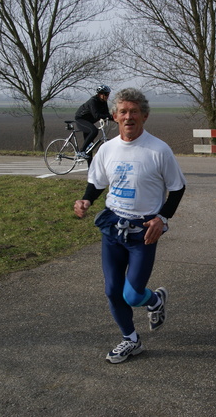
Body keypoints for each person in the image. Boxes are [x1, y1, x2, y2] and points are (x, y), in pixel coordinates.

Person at [73, 88, 186, 364]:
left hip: (143, 231)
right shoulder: (107, 149)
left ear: (144, 116)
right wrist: (86, 200)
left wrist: (163, 218)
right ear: (114, 116)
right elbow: (97, 182)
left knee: (132, 294)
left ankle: (153, 300)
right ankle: (131, 340)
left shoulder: (159, 149)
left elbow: (178, 188)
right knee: (112, 290)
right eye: (123, 111)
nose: (128, 116)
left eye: (134, 111)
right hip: (113, 226)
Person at [75, 85, 113, 164]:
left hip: (89, 122)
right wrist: (108, 116)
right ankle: (81, 151)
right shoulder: (93, 101)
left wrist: (117, 120)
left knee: (90, 148)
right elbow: (97, 115)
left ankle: (90, 170)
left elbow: (106, 114)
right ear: (100, 94)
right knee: (94, 131)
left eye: (108, 94)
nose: (107, 96)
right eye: (106, 94)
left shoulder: (103, 102)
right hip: (81, 119)